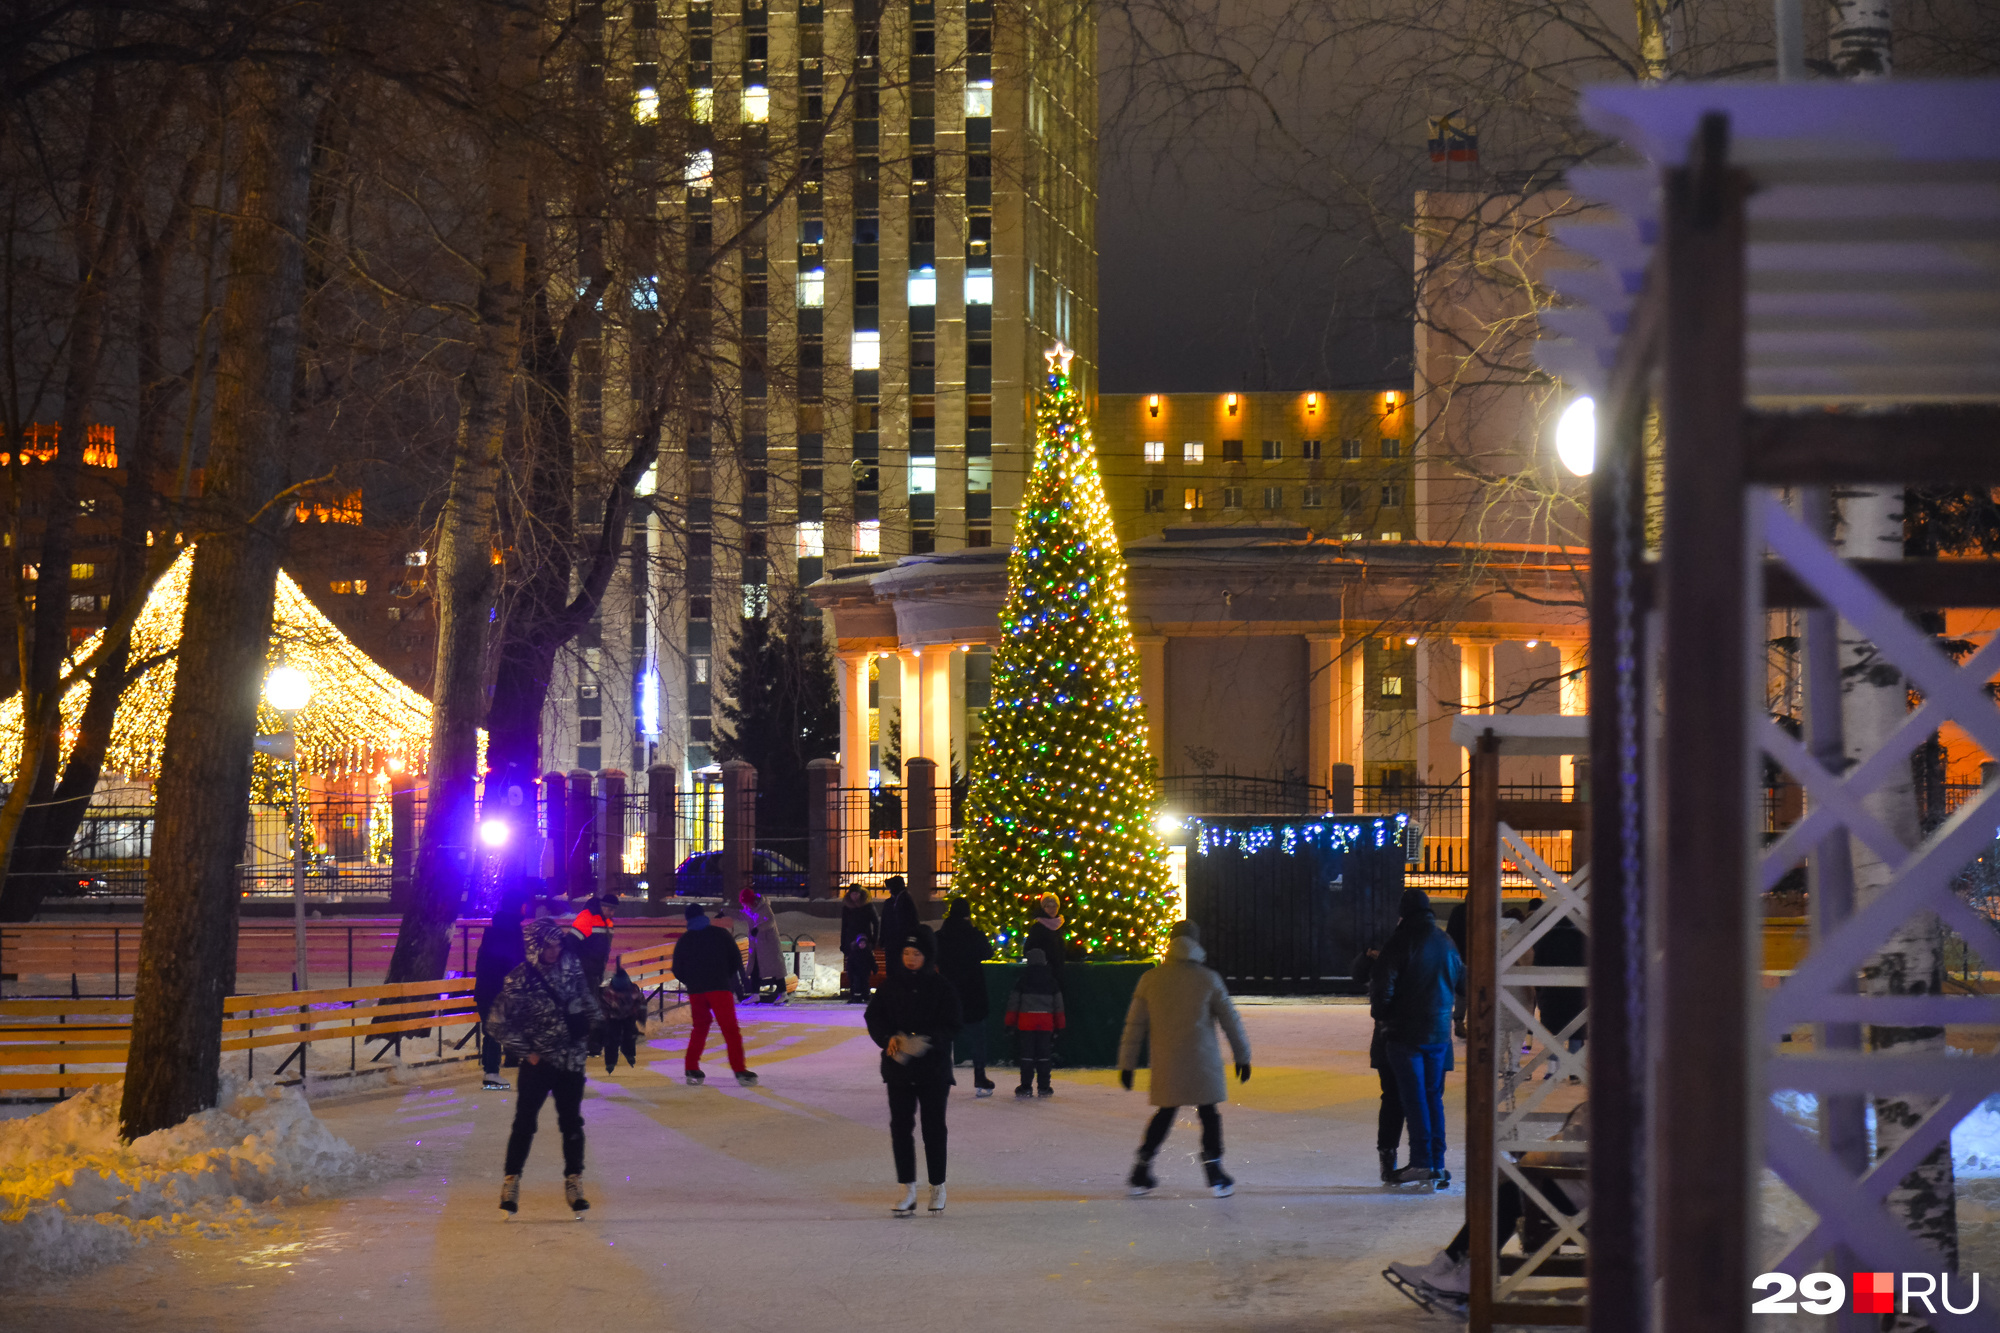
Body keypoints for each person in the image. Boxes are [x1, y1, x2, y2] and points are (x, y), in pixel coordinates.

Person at [1384, 1103, 1589, 1312]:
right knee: (1506, 1191)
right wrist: (1534, 1153)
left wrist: (1531, 1158)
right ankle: (1450, 1266)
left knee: (1507, 1195)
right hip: (1585, 1187)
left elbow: (1569, 1148)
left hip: (1583, 1190)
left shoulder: (1603, 1102)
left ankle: (1466, 1273)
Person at [1116, 921, 1251, 1198]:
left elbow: (1134, 1026)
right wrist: (1242, 1057)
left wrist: (1127, 1064)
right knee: (1209, 1113)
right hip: (1202, 1060)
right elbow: (1231, 1021)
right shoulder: (1208, 978)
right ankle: (1215, 1172)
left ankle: (1141, 1169)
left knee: (1166, 1112)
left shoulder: (1151, 979)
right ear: (1196, 943)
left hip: (1168, 1060)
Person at [490, 917, 603, 1216]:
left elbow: (586, 999)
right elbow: (498, 1023)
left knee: (571, 1123)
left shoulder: (572, 967)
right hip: (539, 1062)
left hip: (571, 1060)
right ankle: (511, 1181)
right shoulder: (519, 979)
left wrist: (598, 1026)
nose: (554, 952)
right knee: (525, 1122)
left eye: (557, 945)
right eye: (548, 946)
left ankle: (574, 1180)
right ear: (534, 947)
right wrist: (528, 1052)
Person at [1370, 888, 1466, 1187]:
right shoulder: (1446, 942)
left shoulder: (1400, 941)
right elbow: (1462, 981)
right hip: (1438, 1034)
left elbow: (1382, 989)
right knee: (1432, 1098)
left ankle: (1422, 1162)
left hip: (1406, 1034)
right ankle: (1437, 1162)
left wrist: (1383, 1014)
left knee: (1414, 1100)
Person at [864, 930, 962, 1216]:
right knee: (901, 1128)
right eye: (907, 953)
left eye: (916, 954)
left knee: (933, 1128)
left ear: (927, 956)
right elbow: (874, 1016)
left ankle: (937, 1186)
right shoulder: (891, 985)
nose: (910, 959)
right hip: (900, 1069)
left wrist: (929, 1040)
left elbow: (954, 1023)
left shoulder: (942, 987)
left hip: (933, 1069)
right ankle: (906, 1187)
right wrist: (888, 1038)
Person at [670, 903, 759, 1087]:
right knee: (730, 1030)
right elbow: (735, 960)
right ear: (703, 915)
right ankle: (739, 1069)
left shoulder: (685, 940)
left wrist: (692, 981)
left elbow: (677, 969)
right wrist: (724, 976)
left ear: (687, 920)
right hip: (719, 987)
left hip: (697, 991)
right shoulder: (720, 934)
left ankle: (691, 1067)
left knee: (700, 1028)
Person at [1350, 935, 1405, 1183]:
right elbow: (1359, 975)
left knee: (1396, 1100)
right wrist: (1366, 954)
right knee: (1402, 1099)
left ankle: (1397, 1156)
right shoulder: (1398, 951)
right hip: (1401, 1040)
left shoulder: (1398, 953)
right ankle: (1401, 1157)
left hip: (1392, 1039)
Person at [936, 897, 997, 1096]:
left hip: (948, 993)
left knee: (945, 1038)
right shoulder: (974, 935)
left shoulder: (941, 936)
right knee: (977, 1038)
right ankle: (980, 1076)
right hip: (972, 992)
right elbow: (988, 952)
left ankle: (941, 1076)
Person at [473, 893, 528, 1091]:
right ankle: (492, 1072)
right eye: (523, 905)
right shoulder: (512, 933)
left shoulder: (494, 931)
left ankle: (492, 1071)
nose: (526, 908)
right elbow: (515, 963)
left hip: (487, 989)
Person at [1004, 947, 1066, 1097]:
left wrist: (1010, 1023)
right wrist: (1060, 1025)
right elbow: (1058, 1005)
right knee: (1044, 1055)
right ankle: (1044, 1087)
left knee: (1027, 1055)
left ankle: (1026, 1086)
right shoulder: (1052, 982)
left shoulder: (1022, 980)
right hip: (1045, 1023)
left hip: (1026, 1023)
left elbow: (1014, 1003)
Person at [1533, 911, 1586, 1079]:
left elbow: (1536, 966)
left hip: (1552, 993)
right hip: (1577, 993)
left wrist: (1539, 991)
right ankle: (1573, 1069)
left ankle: (1552, 1068)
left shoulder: (1546, 940)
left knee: (1553, 1032)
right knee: (1576, 1030)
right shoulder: (1583, 940)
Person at [740, 888, 788, 1005]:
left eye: (744, 902)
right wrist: (724, 911)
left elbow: (770, 921)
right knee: (755, 968)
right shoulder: (750, 909)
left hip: (769, 944)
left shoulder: (764, 908)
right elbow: (739, 914)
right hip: (758, 945)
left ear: (750, 901)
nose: (744, 905)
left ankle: (783, 994)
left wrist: (758, 928)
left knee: (776, 969)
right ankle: (755, 994)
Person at [598, 963, 646, 1073]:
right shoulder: (608, 994)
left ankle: (629, 1053)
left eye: (624, 991)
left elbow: (641, 1003)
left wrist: (640, 1016)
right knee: (611, 1038)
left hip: (629, 1015)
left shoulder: (633, 991)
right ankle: (610, 1061)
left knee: (629, 1035)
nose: (621, 994)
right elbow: (603, 1007)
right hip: (613, 1018)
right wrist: (605, 1017)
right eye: (619, 992)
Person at [840, 884, 880, 1004]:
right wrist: (843, 943)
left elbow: (876, 922)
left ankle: (864, 993)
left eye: (857, 893)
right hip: (851, 942)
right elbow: (844, 926)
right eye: (852, 894)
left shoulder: (868, 906)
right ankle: (855, 994)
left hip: (864, 941)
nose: (855, 896)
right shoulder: (847, 908)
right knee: (853, 969)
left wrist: (873, 940)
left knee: (863, 969)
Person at [878, 875, 919, 983]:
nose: (890, 891)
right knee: (893, 969)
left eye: (891, 888)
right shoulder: (891, 902)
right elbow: (885, 922)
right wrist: (883, 940)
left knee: (899, 969)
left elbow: (911, 923)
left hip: (900, 942)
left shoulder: (905, 901)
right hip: (893, 942)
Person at [571, 895, 617, 990]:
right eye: (610, 909)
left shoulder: (607, 922)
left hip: (596, 971)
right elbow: (571, 942)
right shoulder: (587, 918)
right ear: (603, 907)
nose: (613, 914)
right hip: (583, 972)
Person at [1025, 895, 1067, 986]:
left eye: (1054, 906)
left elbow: (1061, 949)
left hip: (1058, 974)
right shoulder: (1037, 928)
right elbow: (1028, 950)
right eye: (1048, 906)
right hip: (1042, 975)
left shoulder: (1059, 927)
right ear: (1043, 908)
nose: (1052, 909)